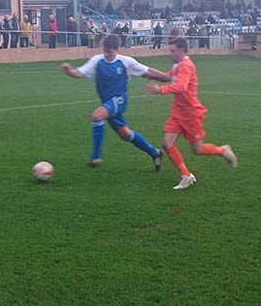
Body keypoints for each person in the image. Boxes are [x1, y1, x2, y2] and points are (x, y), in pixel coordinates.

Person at [61, 34, 170, 169]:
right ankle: (155, 153)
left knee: (97, 116)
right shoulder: (97, 61)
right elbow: (80, 72)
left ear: (118, 49)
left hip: (120, 100)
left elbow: (148, 71)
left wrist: (168, 77)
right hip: (108, 104)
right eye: (104, 50)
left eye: (109, 52)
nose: (106, 54)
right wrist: (68, 71)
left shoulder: (126, 62)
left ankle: (96, 157)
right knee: (124, 134)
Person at [145, 37, 237, 190]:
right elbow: (169, 76)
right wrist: (149, 74)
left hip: (191, 114)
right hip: (178, 112)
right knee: (167, 143)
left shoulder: (186, 66)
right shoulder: (178, 65)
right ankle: (186, 175)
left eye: (172, 51)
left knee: (197, 150)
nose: (170, 54)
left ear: (182, 50)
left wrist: (161, 90)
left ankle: (223, 150)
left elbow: (181, 86)